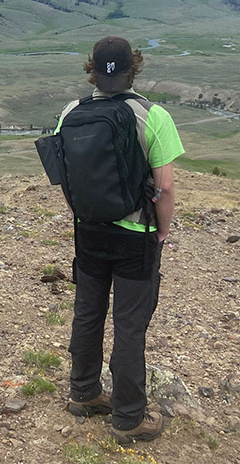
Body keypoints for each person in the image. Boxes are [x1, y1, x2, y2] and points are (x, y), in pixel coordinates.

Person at [55, 36, 184, 444]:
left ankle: (84, 393)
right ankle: (128, 419)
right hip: (135, 237)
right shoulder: (152, 115)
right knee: (129, 326)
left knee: (88, 312)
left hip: (89, 232)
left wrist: (83, 213)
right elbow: (163, 188)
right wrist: (161, 230)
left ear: (92, 68)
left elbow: (66, 180)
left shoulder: (71, 113)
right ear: (134, 67)